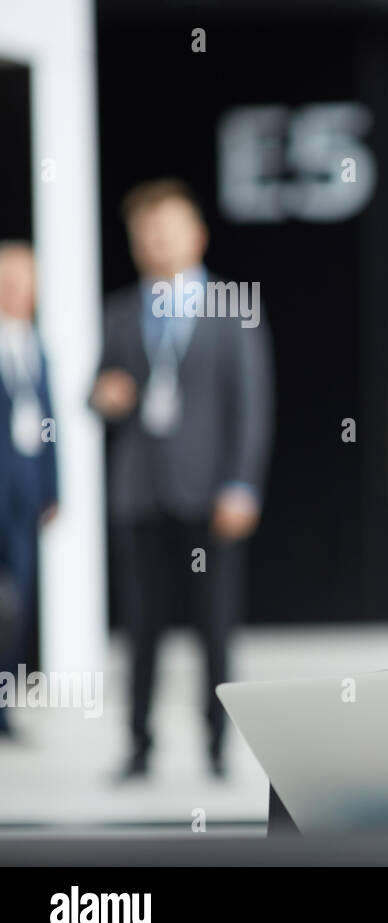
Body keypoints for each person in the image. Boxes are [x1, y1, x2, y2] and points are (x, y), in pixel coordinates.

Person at [88, 179, 274, 779]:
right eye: (143, 232)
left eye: (165, 228)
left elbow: (250, 404)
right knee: (140, 630)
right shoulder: (120, 310)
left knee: (214, 627)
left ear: (195, 235)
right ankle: (138, 744)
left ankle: (216, 745)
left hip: (209, 493)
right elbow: (99, 393)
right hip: (141, 492)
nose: (154, 241)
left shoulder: (231, 306)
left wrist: (241, 484)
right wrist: (103, 397)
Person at [0, 241, 58, 737]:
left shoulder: (34, 344)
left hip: (24, 499)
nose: (16, 289)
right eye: (8, 279)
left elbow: (47, 424)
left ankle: (4, 706)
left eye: (25, 280)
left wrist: (51, 489)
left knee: (18, 605)